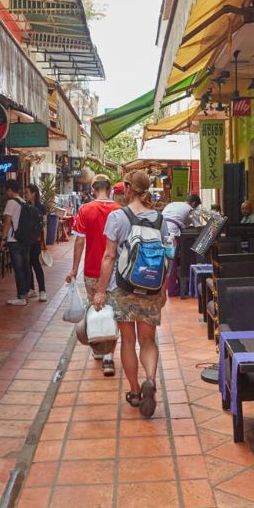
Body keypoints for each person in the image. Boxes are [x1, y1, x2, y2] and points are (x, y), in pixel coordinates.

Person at [93, 170, 168, 417]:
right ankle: (150, 378)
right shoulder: (159, 219)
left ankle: (135, 392)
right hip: (152, 287)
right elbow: (167, 256)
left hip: (123, 287)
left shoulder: (117, 216)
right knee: (148, 340)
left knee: (128, 341)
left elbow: (109, 256)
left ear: (127, 188)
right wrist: (163, 289)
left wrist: (100, 291)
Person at [66, 174, 121, 377]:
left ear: (93, 189)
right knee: (113, 311)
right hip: (115, 271)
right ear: (109, 189)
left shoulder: (85, 209)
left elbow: (79, 242)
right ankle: (109, 358)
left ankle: (99, 349)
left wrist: (74, 268)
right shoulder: (119, 210)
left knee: (96, 308)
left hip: (91, 270)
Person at [161, 194, 202, 297]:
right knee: (172, 261)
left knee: (168, 260)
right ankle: (172, 290)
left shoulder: (174, 204)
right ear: (193, 204)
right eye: (196, 207)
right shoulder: (190, 209)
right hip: (171, 233)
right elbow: (199, 227)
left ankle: (171, 287)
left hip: (161, 230)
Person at [1, 179, 30, 306]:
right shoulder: (23, 202)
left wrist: (3, 238)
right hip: (23, 239)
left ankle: (21, 296)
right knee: (24, 267)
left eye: (6, 190)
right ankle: (25, 293)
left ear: (9, 190)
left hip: (13, 239)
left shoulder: (11, 202)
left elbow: (7, 222)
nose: (6, 193)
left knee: (18, 269)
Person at [24, 184, 48, 302]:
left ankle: (42, 290)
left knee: (36, 265)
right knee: (27, 264)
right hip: (27, 239)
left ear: (34, 193)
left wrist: (44, 241)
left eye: (27, 192)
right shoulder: (25, 206)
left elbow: (44, 224)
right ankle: (31, 288)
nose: (26, 194)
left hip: (37, 240)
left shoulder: (41, 207)